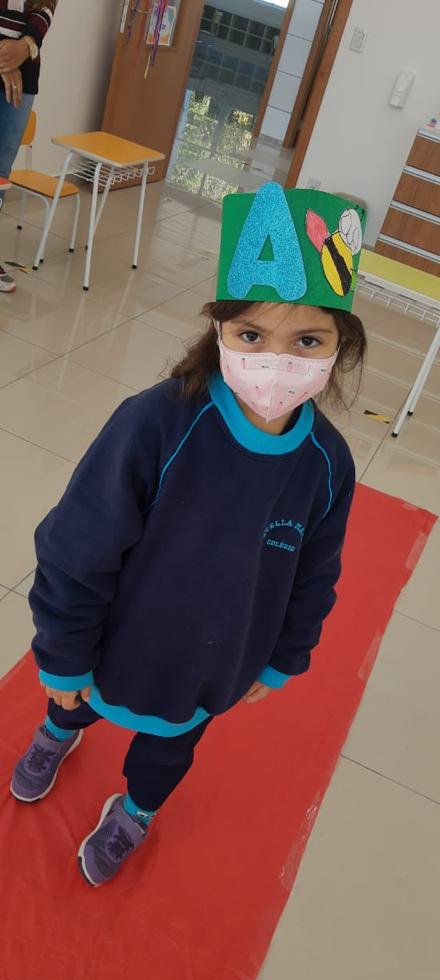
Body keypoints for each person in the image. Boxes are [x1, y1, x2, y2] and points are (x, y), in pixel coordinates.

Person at [10, 184, 368, 888]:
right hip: (116, 636)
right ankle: (56, 734)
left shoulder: (328, 464)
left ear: (340, 347)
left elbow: (315, 572)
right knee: (74, 703)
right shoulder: (154, 424)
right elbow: (77, 548)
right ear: (220, 331)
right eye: (252, 335)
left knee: (167, 752)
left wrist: (283, 657)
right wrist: (63, 655)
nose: (277, 361)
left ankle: (136, 812)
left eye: (308, 341)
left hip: (214, 661)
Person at [0, 0, 57, 292]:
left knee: (0, 174)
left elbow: (45, 6)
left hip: (26, 73)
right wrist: (5, 57)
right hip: (13, 64)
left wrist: (26, 46)